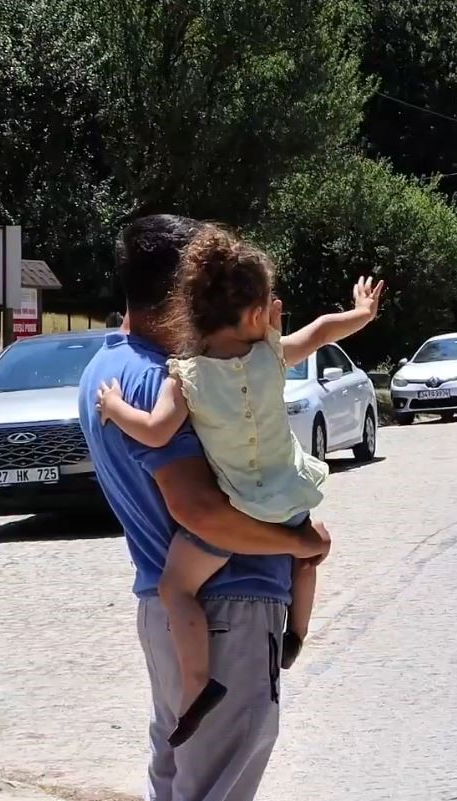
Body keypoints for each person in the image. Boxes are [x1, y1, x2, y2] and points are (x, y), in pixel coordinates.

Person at [78, 214, 331, 801]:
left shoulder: (106, 368)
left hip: (172, 613)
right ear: (173, 296)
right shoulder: (166, 377)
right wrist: (299, 540)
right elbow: (198, 510)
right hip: (229, 612)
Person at [95, 223, 384, 739]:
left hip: (237, 511)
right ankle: (297, 632)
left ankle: (199, 681)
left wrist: (116, 409)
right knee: (306, 552)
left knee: (176, 586)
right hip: (288, 493)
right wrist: (362, 314)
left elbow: (158, 434)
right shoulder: (272, 357)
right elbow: (320, 330)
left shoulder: (183, 374)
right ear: (256, 314)